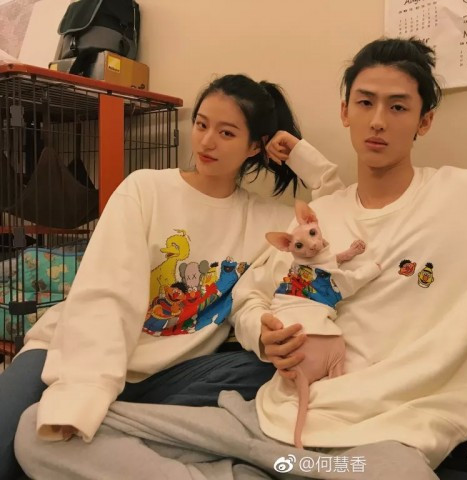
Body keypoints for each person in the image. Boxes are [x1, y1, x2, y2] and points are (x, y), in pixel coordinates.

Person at [15, 38, 467, 479]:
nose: (378, 121)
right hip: (266, 425)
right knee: (41, 433)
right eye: (364, 103)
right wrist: (264, 333)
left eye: (398, 106)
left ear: (424, 121)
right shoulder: (316, 217)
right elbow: (251, 297)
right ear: (344, 112)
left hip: (370, 446)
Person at [0, 73, 341, 480]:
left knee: (266, 368)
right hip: (76, 353)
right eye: (201, 124)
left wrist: (304, 159)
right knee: (16, 447)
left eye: (226, 133)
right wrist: (82, 392)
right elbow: (105, 298)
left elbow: (338, 226)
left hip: (171, 374)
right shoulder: (145, 189)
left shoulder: (268, 221)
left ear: (255, 146)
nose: (207, 142)